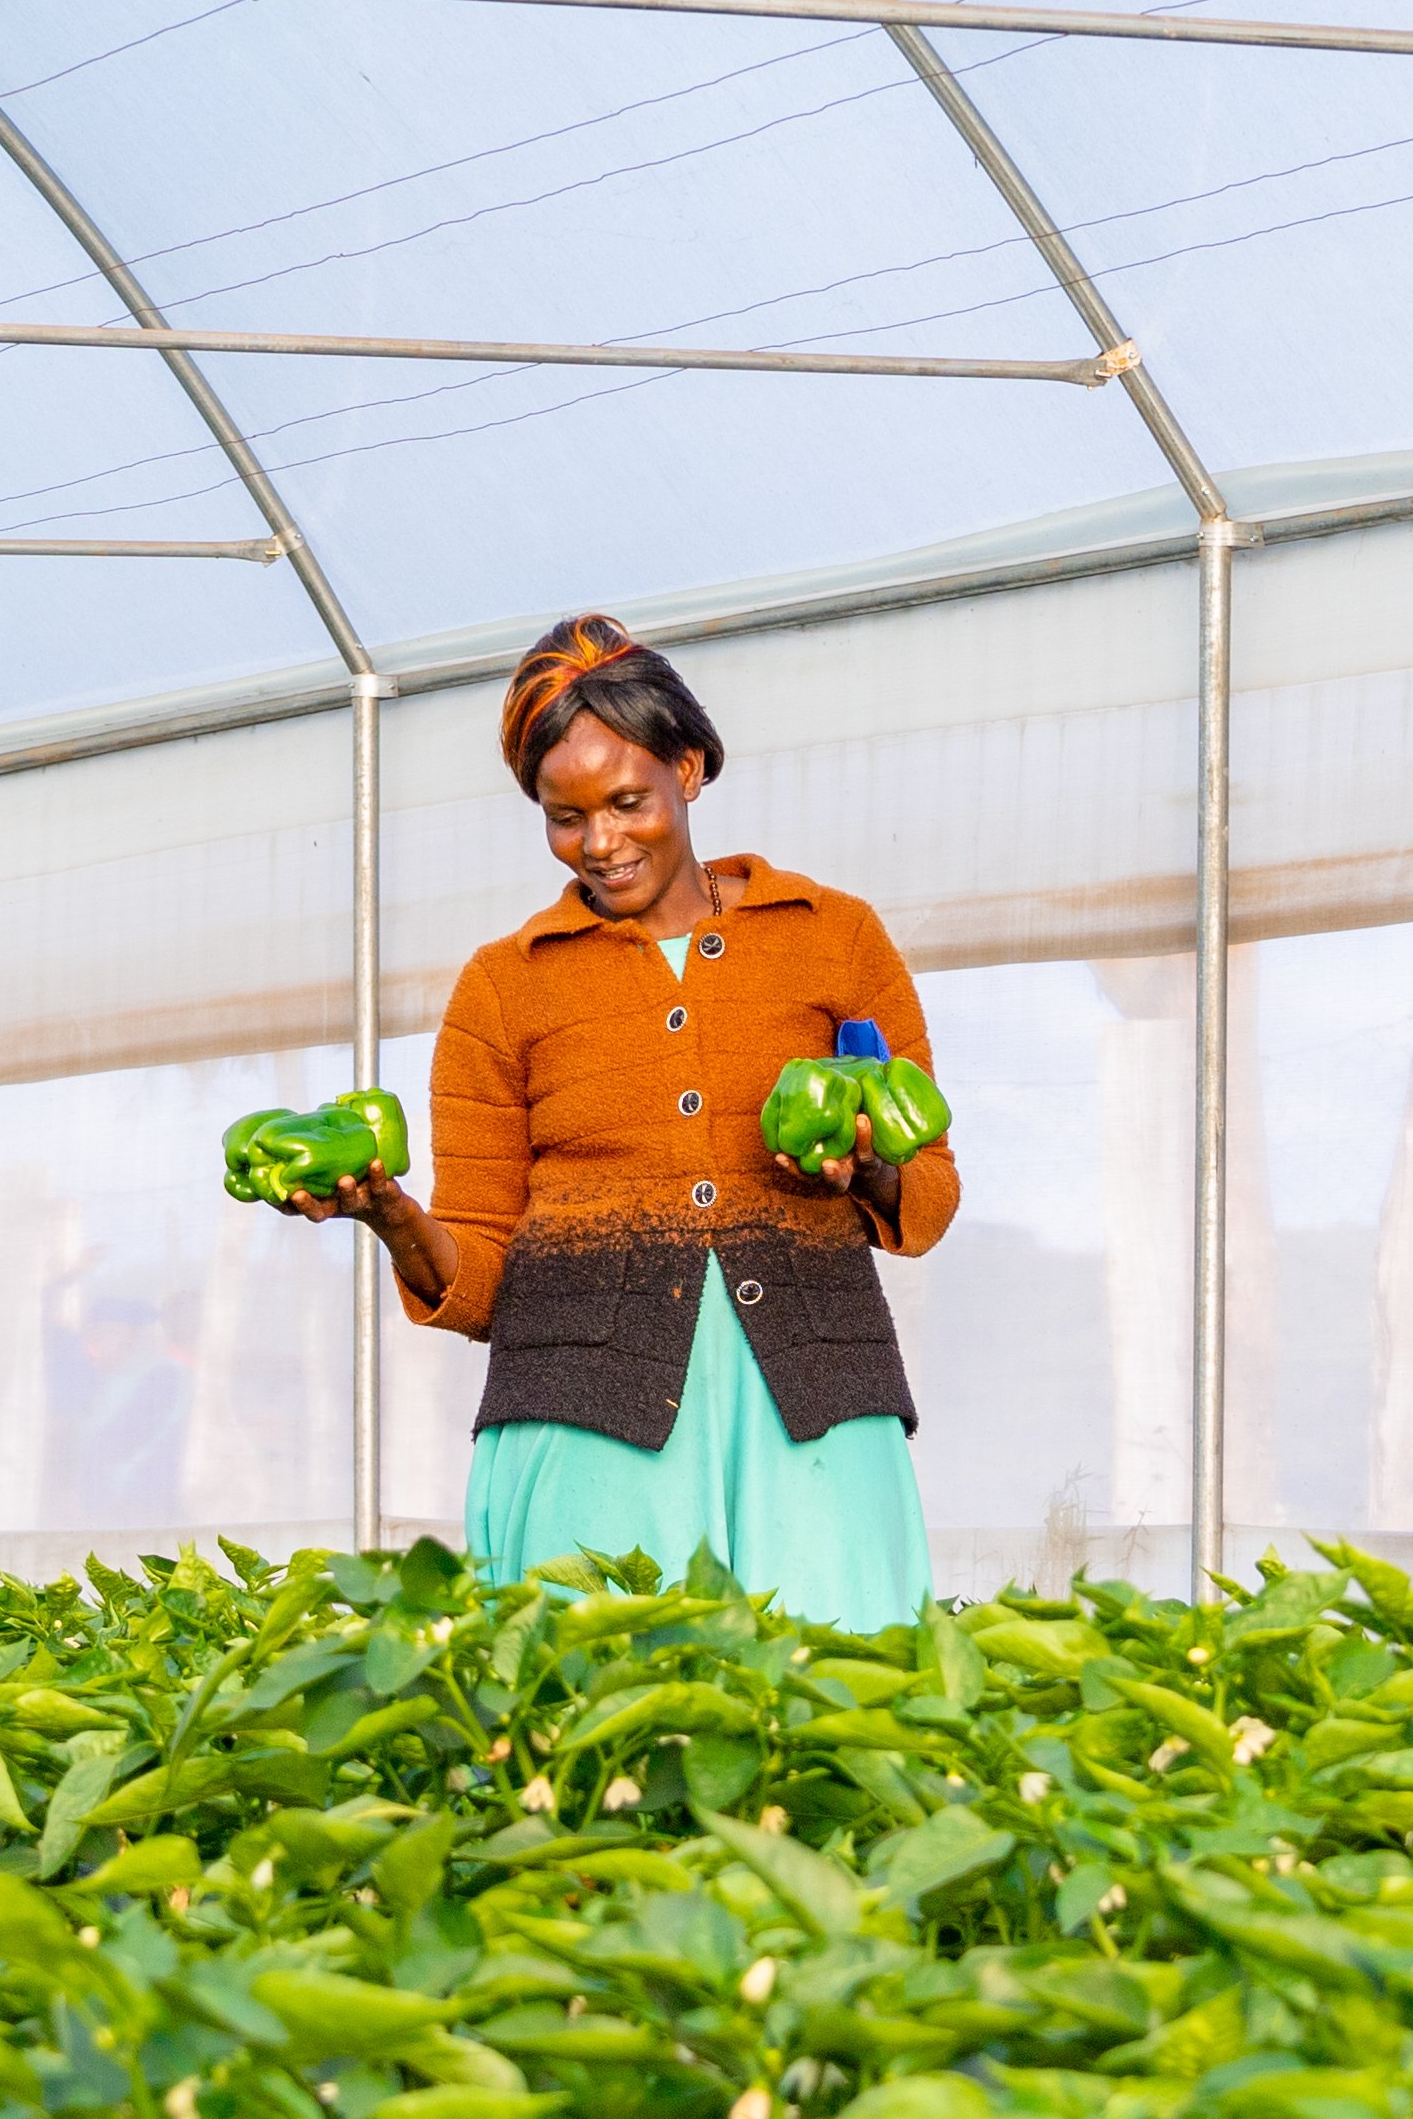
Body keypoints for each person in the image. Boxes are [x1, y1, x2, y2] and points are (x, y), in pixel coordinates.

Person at [277, 615, 952, 1624]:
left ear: (689, 768)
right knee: (601, 1720)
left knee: (847, 1693)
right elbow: (479, 1277)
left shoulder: (831, 937)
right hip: (586, 1416)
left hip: (814, 1398)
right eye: (565, 815)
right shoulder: (505, 987)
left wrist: (869, 1172)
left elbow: (929, 1191)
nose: (600, 841)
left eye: (628, 801)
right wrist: (385, 1213)